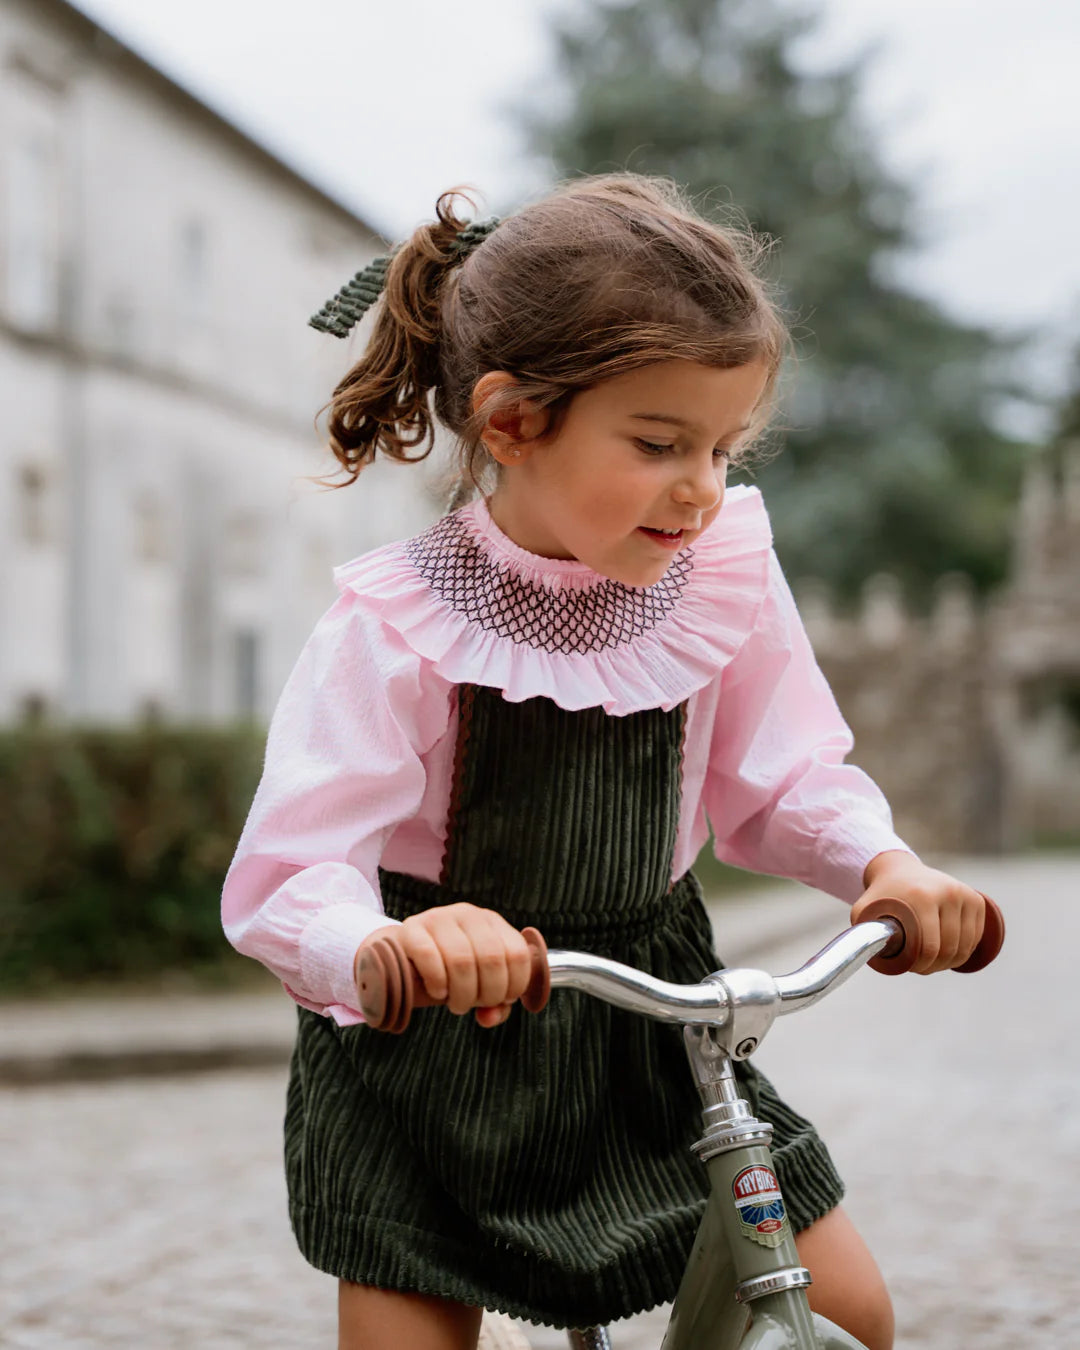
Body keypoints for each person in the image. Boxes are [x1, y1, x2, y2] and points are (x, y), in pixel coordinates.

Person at [222, 174, 990, 1350]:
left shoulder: (718, 573)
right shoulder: (400, 622)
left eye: (723, 446)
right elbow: (294, 866)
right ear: (514, 420)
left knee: (849, 1309)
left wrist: (883, 865)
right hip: (434, 1054)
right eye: (658, 442)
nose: (700, 485)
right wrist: (385, 942)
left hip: (651, 1036)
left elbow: (784, 777)